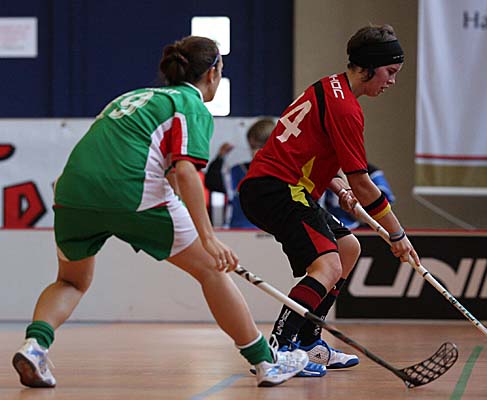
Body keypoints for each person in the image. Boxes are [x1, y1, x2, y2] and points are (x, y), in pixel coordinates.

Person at [11, 35, 308, 389]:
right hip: (132, 190)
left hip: (71, 192)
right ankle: (266, 361)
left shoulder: (131, 98)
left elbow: (146, 160)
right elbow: (185, 171)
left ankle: (35, 346)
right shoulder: (191, 105)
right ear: (212, 73)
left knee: (71, 281)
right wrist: (208, 238)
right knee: (211, 269)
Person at [239, 24, 420, 375]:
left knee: (348, 248)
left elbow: (309, 150)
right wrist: (397, 234)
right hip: (277, 189)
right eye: (390, 72)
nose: (392, 81)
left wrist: (337, 186)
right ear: (369, 67)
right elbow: (364, 183)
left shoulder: (327, 87)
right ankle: (279, 349)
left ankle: (309, 342)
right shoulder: (346, 109)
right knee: (327, 267)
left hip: (280, 186)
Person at [205, 118, 275, 228]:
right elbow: (211, 182)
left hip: (268, 231)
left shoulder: (281, 173)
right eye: (253, 147)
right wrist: (220, 158)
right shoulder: (237, 171)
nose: (254, 151)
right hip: (239, 230)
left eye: (258, 146)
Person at [321, 163, 395, 229]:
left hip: (362, 227)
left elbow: (384, 204)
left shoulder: (370, 172)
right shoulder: (323, 171)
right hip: (330, 225)